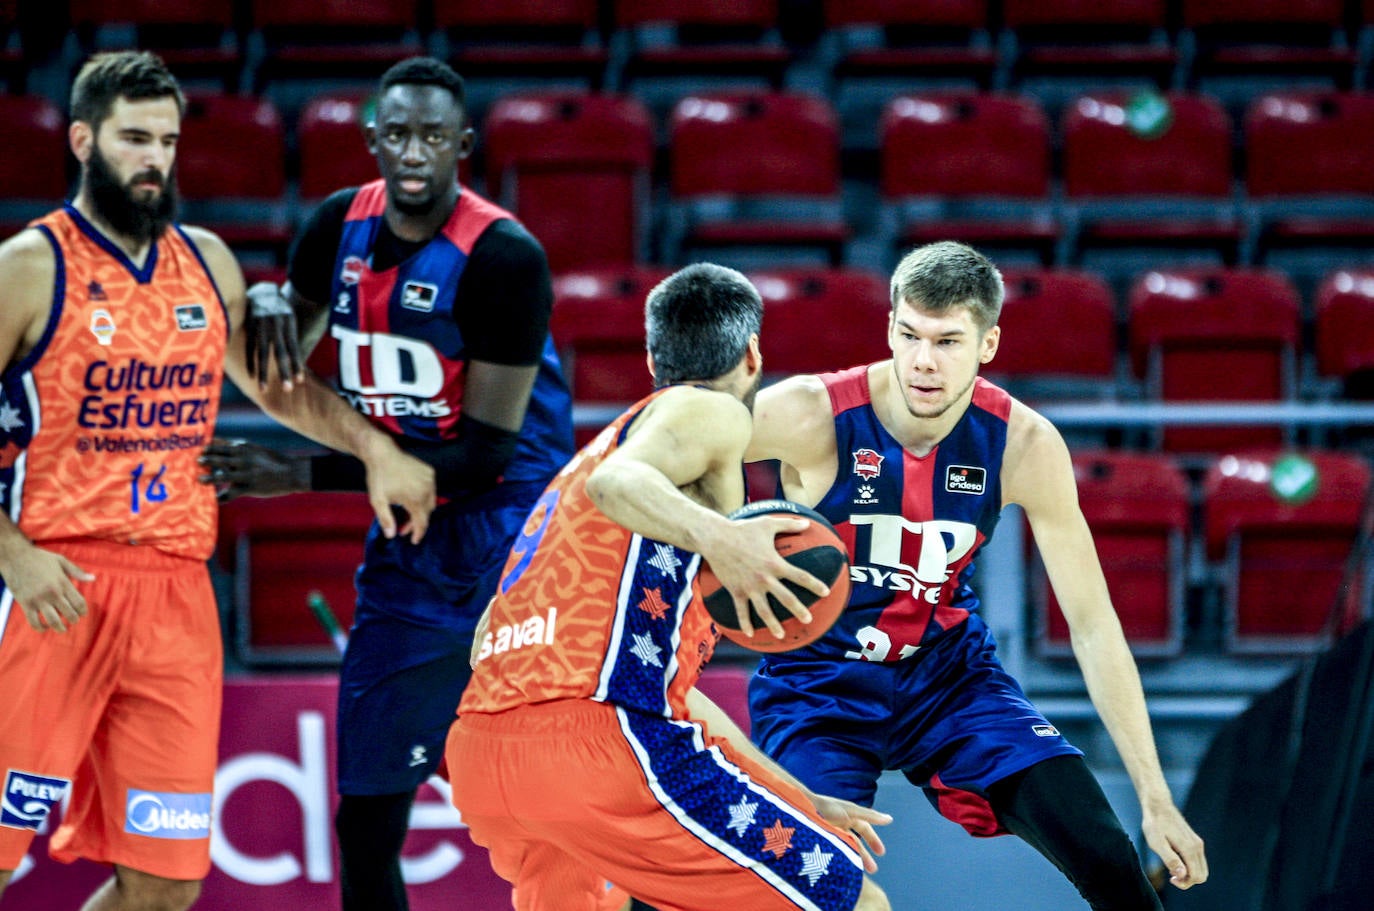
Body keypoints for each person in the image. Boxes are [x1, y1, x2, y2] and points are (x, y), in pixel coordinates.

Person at [0, 51, 433, 911]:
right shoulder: (28, 266)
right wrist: (10, 550)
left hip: (175, 597)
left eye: (166, 139)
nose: (153, 157)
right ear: (83, 140)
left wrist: (376, 448)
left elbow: (278, 388)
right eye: (133, 138)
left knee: (167, 883)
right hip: (53, 583)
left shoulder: (207, 261)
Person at [202, 57, 576, 911]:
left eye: (434, 136)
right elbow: (279, 370)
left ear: (463, 147)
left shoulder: (506, 258)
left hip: (515, 545)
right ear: (373, 138)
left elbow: (481, 458)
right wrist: (265, 305)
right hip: (408, 535)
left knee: (565, 809)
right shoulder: (336, 225)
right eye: (398, 133)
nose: (415, 151)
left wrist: (295, 473)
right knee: (364, 824)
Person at [743, 241, 1209, 910]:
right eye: (909, 335)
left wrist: (1156, 799)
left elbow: (1093, 624)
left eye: (948, 340)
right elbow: (670, 442)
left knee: (1106, 852)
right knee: (815, 887)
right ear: (890, 329)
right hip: (817, 682)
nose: (924, 359)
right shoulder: (811, 412)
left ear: (988, 343)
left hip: (946, 676)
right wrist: (715, 531)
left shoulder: (1023, 443)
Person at [446, 263, 893, 911]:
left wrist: (795, 796)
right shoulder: (708, 409)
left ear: (651, 355)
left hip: (487, 756)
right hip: (597, 746)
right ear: (752, 354)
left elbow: (496, 638)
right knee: (852, 900)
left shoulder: (577, 470)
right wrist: (726, 538)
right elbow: (618, 485)